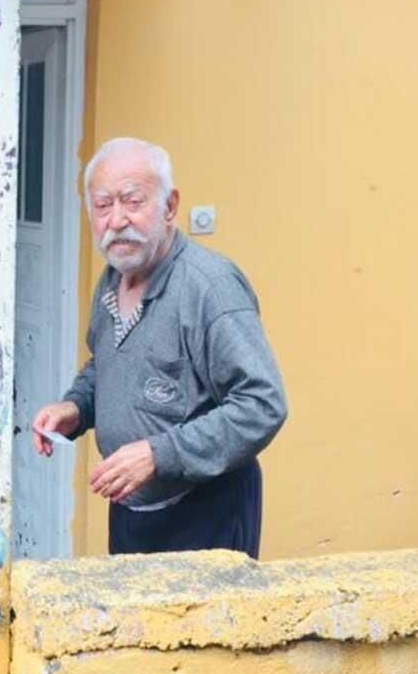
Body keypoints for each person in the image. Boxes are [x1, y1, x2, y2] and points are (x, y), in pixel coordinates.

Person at [32, 137, 287, 558]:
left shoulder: (210, 288)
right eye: (102, 205)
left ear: (170, 206)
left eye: (133, 201)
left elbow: (263, 404)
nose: (117, 220)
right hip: (132, 510)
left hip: (205, 514)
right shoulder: (113, 278)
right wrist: (75, 407)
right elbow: (107, 363)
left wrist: (158, 454)